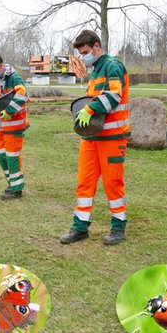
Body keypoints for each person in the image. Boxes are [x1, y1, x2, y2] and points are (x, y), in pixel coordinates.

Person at [60, 30, 130, 246]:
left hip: (112, 137)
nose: (84, 57)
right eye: (81, 53)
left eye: (86, 52)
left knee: (113, 182)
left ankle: (118, 227)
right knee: (85, 181)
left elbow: (113, 96)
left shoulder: (113, 66)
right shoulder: (96, 71)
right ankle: (80, 227)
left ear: (97, 46)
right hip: (92, 137)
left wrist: (90, 109)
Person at [0, 54, 29, 200]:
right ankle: (12, 183)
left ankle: (16, 189)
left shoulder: (14, 78)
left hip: (14, 125)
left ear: (0, 65)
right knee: (2, 156)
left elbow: (22, 95)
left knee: (12, 156)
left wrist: (9, 111)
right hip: (0, 125)